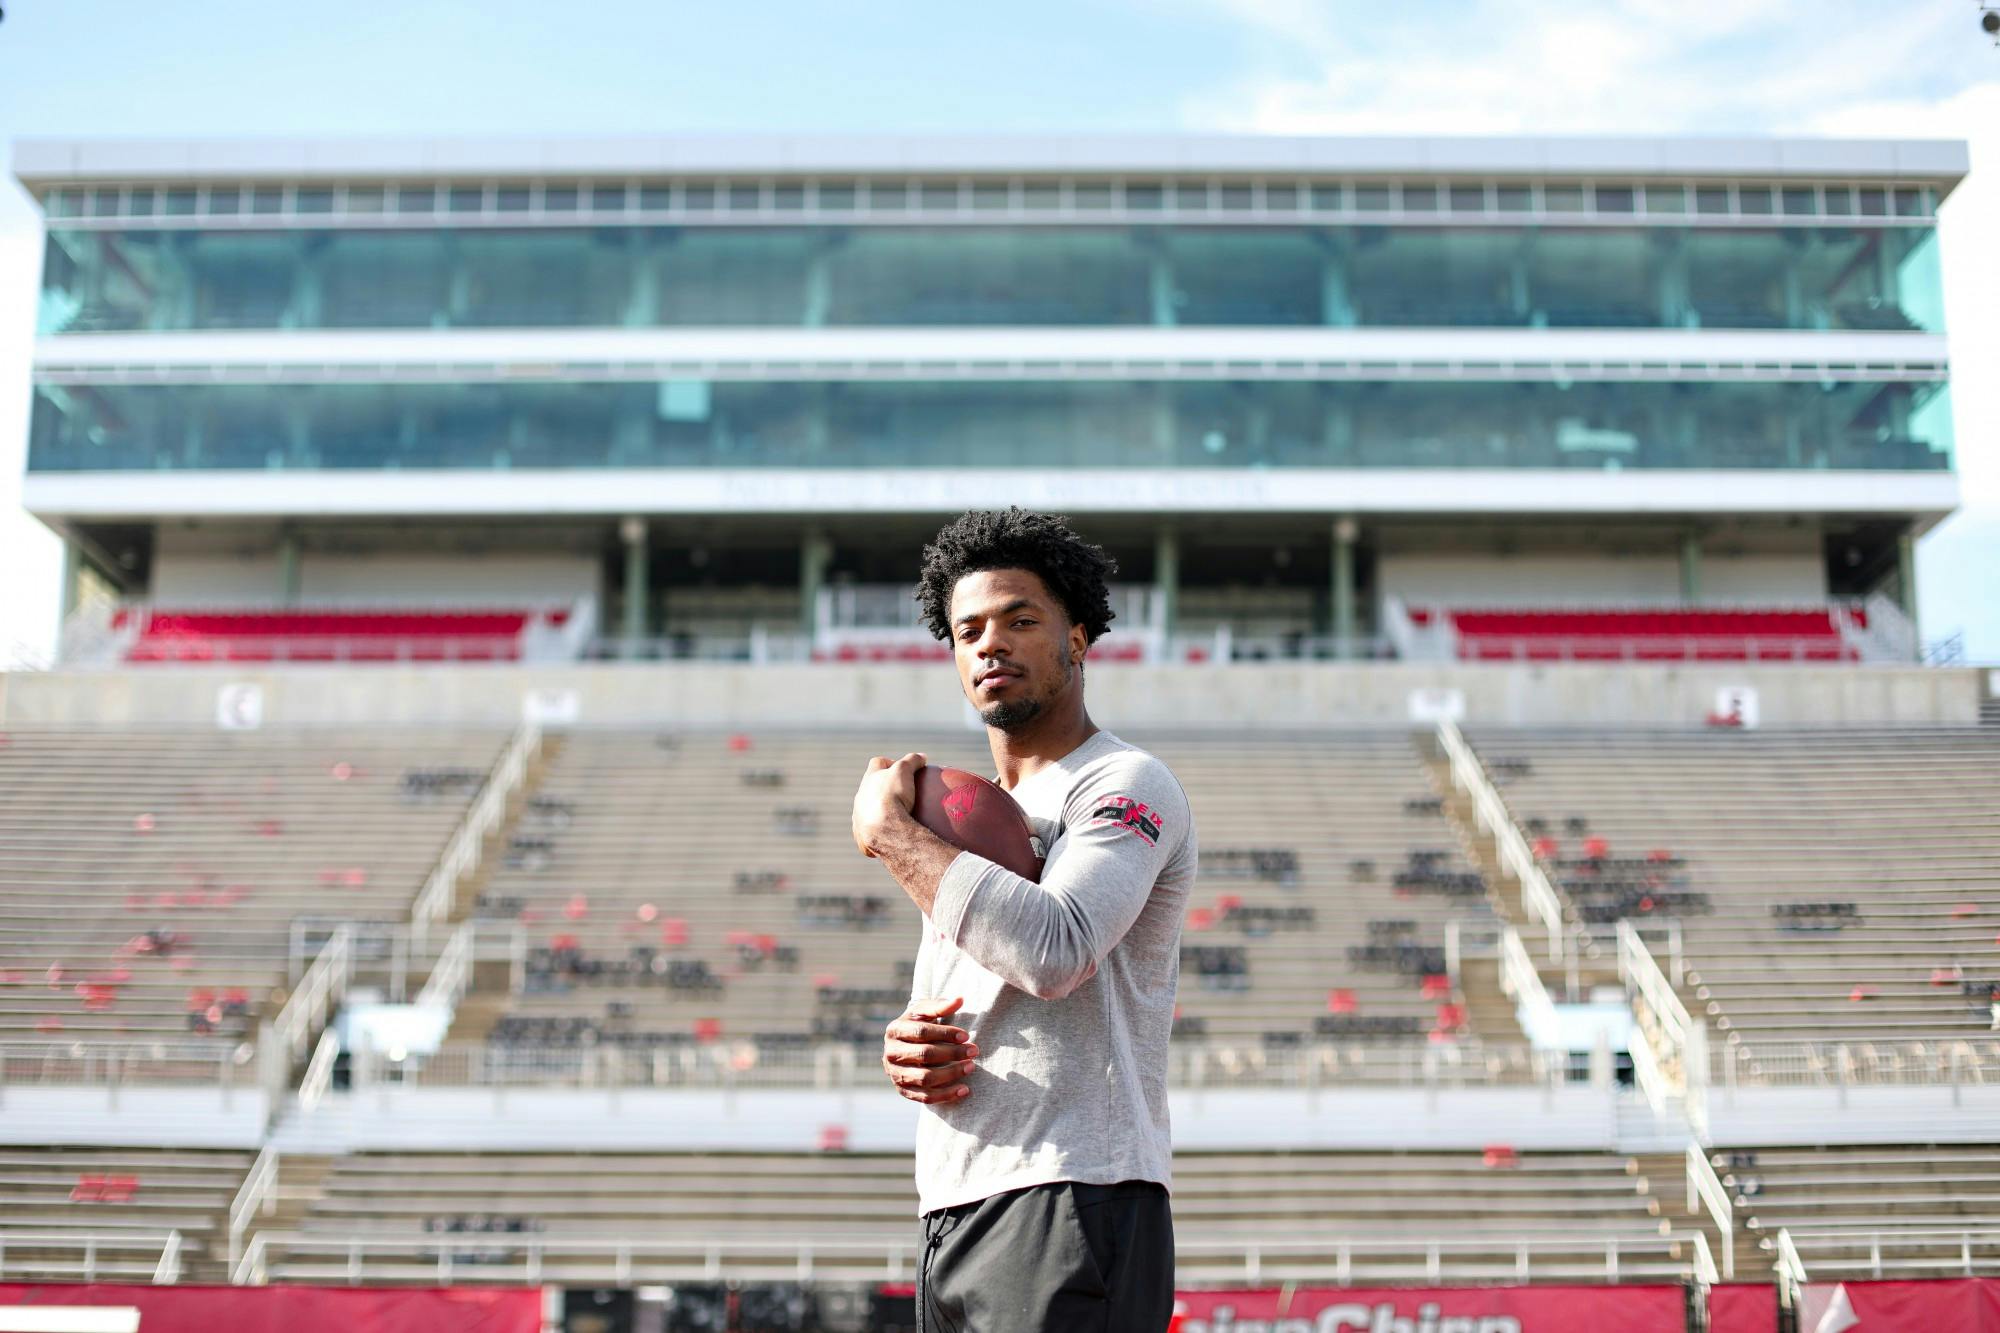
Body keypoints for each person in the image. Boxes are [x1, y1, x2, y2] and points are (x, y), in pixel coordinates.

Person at [850, 508, 1198, 1333]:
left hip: (1077, 1189)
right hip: (956, 1198)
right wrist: (908, 1044)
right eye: (968, 629)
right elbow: (985, 986)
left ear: (1077, 639)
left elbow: (1055, 948)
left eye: (1020, 619)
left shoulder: (1122, 782)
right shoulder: (973, 817)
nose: (990, 642)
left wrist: (892, 835)